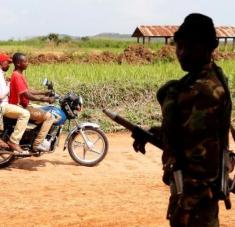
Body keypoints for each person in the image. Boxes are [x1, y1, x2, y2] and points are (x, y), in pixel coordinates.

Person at [133, 13, 232, 227]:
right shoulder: (198, 79)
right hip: (192, 197)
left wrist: (185, 209)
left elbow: (199, 161)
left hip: (196, 201)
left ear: (209, 48)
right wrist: (152, 134)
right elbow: (186, 134)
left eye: (192, 48)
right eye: (180, 46)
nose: (183, 54)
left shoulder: (203, 91)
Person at [9, 53, 55, 151]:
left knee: (42, 110)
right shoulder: (17, 76)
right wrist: (45, 99)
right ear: (18, 63)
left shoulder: (19, 74)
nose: (27, 63)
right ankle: (37, 144)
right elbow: (27, 95)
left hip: (24, 105)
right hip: (20, 106)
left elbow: (28, 91)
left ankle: (33, 135)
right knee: (49, 117)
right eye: (25, 61)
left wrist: (44, 92)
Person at [0, 53, 30, 153]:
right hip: (2, 105)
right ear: (1, 62)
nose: (9, 65)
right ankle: (14, 141)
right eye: (7, 63)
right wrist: (10, 86)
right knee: (25, 114)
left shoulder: (2, 74)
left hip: (5, 104)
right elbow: (1, 94)